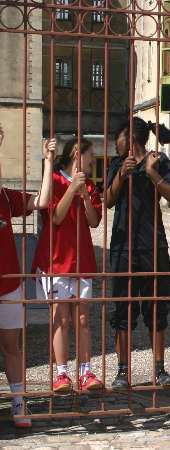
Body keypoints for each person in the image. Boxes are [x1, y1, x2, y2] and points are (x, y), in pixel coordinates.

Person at [105, 117, 170, 389]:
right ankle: (122, 372)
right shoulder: (116, 164)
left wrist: (152, 174)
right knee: (121, 309)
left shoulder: (157, 160)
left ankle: (159, 370)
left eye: (118, 136)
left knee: (157, 307)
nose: (116, 141)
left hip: (153, 245)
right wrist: (121, 178)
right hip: (122, 247)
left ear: (131, 138)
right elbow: (108, 201)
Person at [33, 138, 103, 394]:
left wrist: (84, 196)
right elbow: (56, 217)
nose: (93, 161)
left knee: (83, 319)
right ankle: (62, 373)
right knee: (60, 318)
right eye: (90, 155)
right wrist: (72, 188)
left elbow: (94, 221)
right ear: (77, 153)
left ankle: (86, 370)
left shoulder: (90, 186)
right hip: (57, 259)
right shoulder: (56, 180)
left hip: (81, 259)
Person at [0, 126, 55, 427]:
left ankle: (19, 403)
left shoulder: (7, 199)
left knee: (12, 346)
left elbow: (43, 202)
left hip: (8, 284)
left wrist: (47, 163)